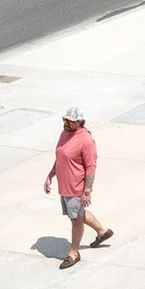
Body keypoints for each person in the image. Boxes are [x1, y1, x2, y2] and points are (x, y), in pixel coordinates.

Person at [43, 106, 112, 269]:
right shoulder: (64, 134)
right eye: (64, 120)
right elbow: (60, 157)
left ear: (80, 123)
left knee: (76, 220)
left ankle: (74, 253)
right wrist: (50, 176)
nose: (66, 124)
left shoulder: (85, 140)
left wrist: (87, 191)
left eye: (70, 121)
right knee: (78, 214)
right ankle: (102, 232)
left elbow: (91, 167)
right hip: (64, 185)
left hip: (76, 187)